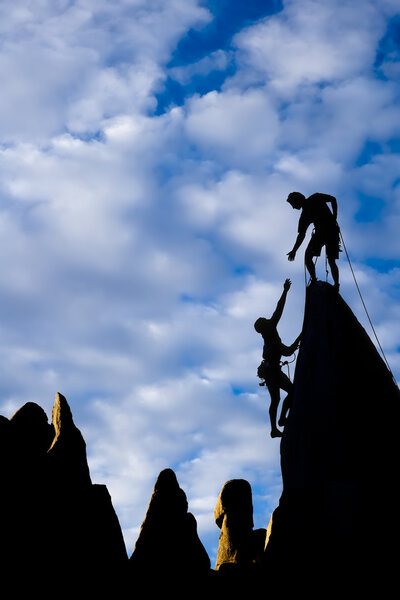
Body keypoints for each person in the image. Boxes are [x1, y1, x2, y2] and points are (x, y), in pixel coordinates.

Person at [254, 278, 302, 438]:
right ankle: (275, 426)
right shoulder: (271, 334)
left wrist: (299, 338)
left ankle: (280, 421)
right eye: (265, 321)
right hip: (271, 371)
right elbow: (278, 310)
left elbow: (287, 351)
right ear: (264, 327)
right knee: (277, 398)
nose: (268, 319)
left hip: (272, 370)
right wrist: (285, 291)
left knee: (289, 393)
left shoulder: (271, 338)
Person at [286, 191, 341, 291]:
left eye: (293, 204)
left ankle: (335, 284)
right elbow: (301, 235)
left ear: (298, 200)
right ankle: (316, 281)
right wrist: (294, 250)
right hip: (322, 233)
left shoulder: (315, 198)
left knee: (330, 260)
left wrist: (334, 216)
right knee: (310, 257)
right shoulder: (304, 215)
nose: (293, 207)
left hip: (330, 231)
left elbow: (333, 199)